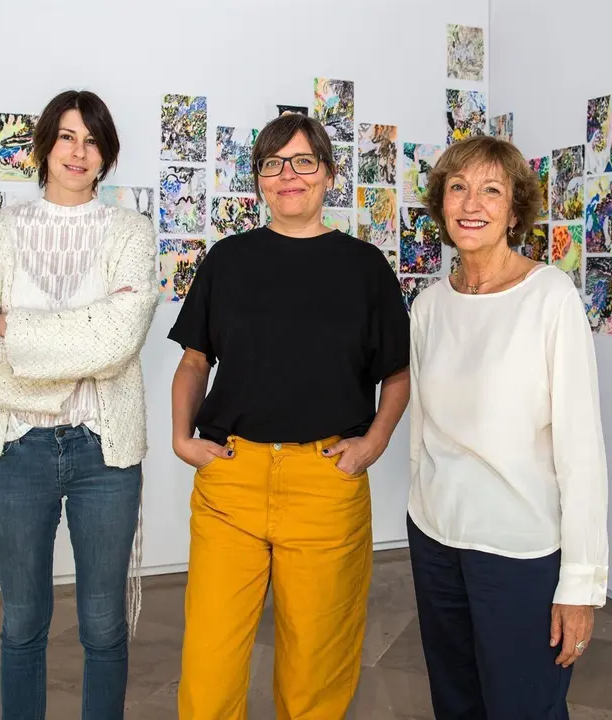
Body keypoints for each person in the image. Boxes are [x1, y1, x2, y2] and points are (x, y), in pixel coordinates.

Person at [168, 112, 410, 719]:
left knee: (317, 669)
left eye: (304, 162)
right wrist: (181, 437)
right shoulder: (227, 260)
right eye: (273, 165)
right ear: (259, 182)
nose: (289, 175)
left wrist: (372, 444)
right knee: (209, 662)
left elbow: (398, 375)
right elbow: (195, 360)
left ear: (328, 175)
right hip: (233, 480)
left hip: (325, 484)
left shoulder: (365, 268)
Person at [0, 89, 159, 719]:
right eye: (66, 136)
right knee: (23, 623)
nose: (78, 151)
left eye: (91, 140)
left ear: (106, 156)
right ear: (45, 145)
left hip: (105, 452)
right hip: (15, 448)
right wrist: (72, 355)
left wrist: (18, 329)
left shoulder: (132, 232)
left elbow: (119, 342)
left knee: (102, 624)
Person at [407, 135, 609, 719]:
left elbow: (580, 451)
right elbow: (423, 432)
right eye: (458, 187)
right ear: (442, 205)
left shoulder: (550, 297)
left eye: (491, 190)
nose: (472, 202)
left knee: (524, 708)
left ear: (514, 210)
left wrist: (580, 585)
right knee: (455, 702)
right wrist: (421, 508)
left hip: (519, 552)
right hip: (436, 542)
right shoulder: (429, 306)